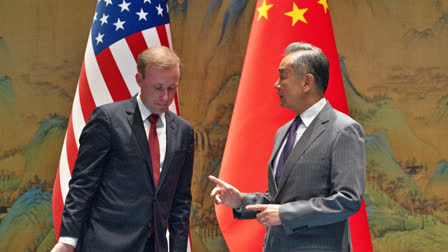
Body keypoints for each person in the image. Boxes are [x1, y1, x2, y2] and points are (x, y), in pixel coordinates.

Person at [209, 42, 365, 251]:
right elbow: (278, 199)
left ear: (307, 82)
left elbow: (347, 199)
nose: (276, 84)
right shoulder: (283, 132)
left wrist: (285, 214)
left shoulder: (343, 129)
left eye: (283, 76)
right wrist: (240, 201)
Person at [52, 46, 194, 252]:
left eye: (172, 88)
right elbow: (83, 185)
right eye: (158, 87)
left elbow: (181, 201)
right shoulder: (108, 120)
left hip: (154, 246)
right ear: (139, 80)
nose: (165, 96)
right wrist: (67, 240)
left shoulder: (184, 131)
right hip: (105, 244)